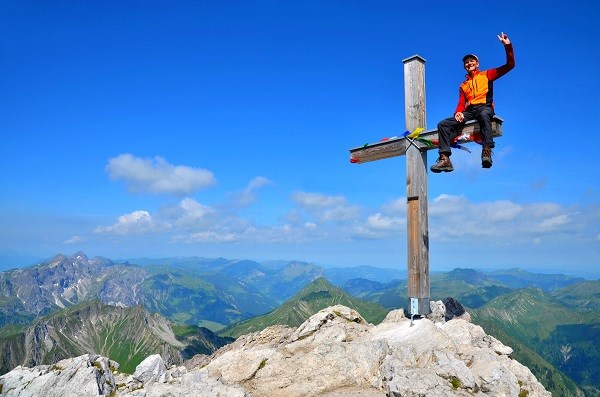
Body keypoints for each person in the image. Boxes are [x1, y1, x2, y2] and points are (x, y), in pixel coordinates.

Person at [431, 32, 515, 173]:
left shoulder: (487, 75)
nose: (469, 63)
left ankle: (486, 151)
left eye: (472, 61)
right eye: (466, 62)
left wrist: (507, 46)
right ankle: (445, 159)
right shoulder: (463, 85)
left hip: (485, 107)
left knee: (484, 114)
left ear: (477, 64)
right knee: (443, 124)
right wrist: (458, 112)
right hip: (469, 111)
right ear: (464, 66)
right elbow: (461, 102)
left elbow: (510, 65)